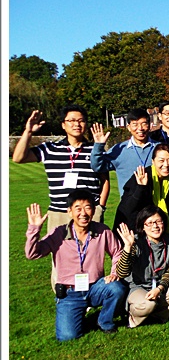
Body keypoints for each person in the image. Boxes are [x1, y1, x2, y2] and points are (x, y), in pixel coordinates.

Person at [13, 105, 110, 290]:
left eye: (81, 120)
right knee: (59, 256)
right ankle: (62, 297)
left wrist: (100, 208)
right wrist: (28, 132)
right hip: (59, 212)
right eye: (72, 120)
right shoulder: (50, 149)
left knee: (92, 256)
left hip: (88, 213)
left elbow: (105, 181)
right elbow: (18, 157)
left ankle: (92, 296)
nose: (77, 124)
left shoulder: (94, 149)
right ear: (63, 125)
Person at [24, 189, 126, 341]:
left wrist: (114, 272)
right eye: (78, 208)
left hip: (95, 287)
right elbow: (32, 254)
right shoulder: (58, 233)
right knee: (67, 337)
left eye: (87, 208)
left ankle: (104, 321)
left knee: (116, 288)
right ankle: (75, 312)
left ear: (93, 210)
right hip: (69, 292)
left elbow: (117, 252)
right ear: (69, 212)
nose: (83, 213)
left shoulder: (102, 231)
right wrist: (34, 230)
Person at [115, 206, 169, 328]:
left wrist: (159, 288)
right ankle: (133, 319)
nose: (155, 226)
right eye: (149, 223)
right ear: (142, 226)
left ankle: (158, 317)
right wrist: (128, 247)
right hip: (138, 286)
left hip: (160, 284)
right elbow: (121, 273)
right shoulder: (135, 242)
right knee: (148, 304)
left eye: (158, 221)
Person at [113, 144, 169, 237]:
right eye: (161, 161)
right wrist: (141, 187)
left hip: (157, 229)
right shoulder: (143, 176)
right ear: (153, 161)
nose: (166, 165)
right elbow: (129, 207)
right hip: (133, 230)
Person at [91, 108, 158, 196]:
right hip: (128, 203)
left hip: (157, 202)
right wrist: (98, 146)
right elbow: (97, 167)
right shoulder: (120, 149)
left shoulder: (159, 148)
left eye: (144, 124)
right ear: (129, 127)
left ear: (149, 125)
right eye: (135, 124)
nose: (140, 128)